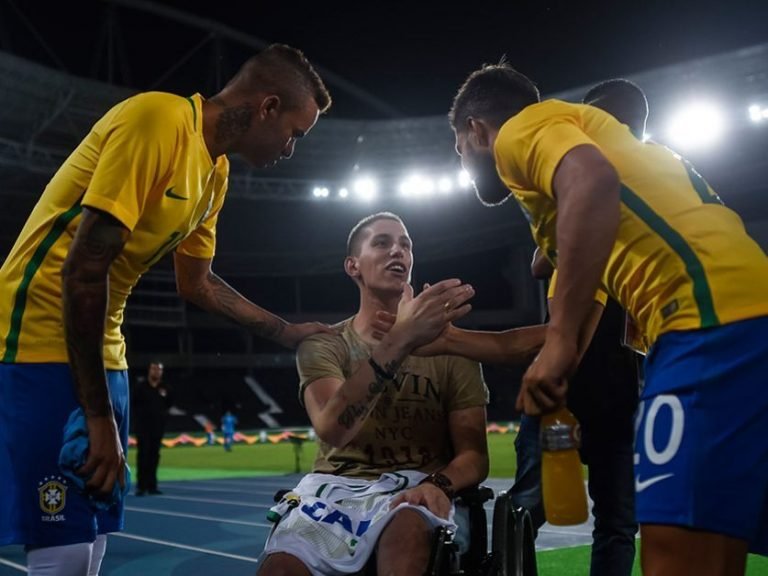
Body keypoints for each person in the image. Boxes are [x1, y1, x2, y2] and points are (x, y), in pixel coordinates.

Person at [0, 43, 331, 575]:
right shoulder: (159, 120)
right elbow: (82, 271)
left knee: (94, 536)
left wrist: (286, 331)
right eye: (295, 132)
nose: (292, 149)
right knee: (60, 541)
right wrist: (98, 415)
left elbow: (196, 284)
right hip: (36, 338)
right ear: (268, 107)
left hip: (106, 350)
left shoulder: (214, 172)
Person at [449, 62, 768, 575]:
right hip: (741, 317)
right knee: (716, 538)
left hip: (706, 322)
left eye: (459, 148)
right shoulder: (630, 168)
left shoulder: (519, 132)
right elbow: (590, 278)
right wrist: (565, 352)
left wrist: (556, 343)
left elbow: (591, 179)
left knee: (676, 548)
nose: (463, 162)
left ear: (475, 131)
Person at [258, 212, 486, 576]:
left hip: (417, 487)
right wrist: (401, 340)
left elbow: (474, 455)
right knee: (279, 569)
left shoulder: (451, 347)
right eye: (382, 243)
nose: (398, 251)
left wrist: (438, 484)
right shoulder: (324, 345)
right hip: (335, 490)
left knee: (407, 530)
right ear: (353, 266)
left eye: (406, 245)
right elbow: (333, 428)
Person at [507, 79, 646, 576]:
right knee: (544, 510)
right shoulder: (592, 193)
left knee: (603, 518)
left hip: (583, 385)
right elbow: (539, 265)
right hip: (590, 387)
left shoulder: (625, 193)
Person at [133, 362, 171, 496]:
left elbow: (169, 404)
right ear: (149, 370)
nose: (157, 372)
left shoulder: (165, 388)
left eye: (159, 369)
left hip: (158, 428)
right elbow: (134, 403)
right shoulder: (141, 387)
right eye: (154, 369)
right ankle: (141, 486)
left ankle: (152, 485)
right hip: (143, 428)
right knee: (143, 455)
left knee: (155, 456)